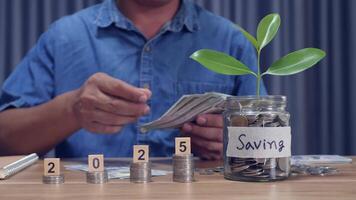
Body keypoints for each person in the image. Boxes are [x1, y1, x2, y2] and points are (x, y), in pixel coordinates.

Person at [0, 0, 266, 160]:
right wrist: (72, 110)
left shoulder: (231, 42)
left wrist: (234, 142)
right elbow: (5, 140)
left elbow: (266, 145)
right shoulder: (64, 37)